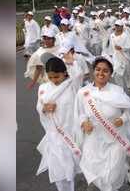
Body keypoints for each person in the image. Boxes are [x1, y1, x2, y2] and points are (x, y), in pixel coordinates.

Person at [74, 57, 130, 191]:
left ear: (110, 74)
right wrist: (84, 122)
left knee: (112, 177)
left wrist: (122, 119)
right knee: (94, 171)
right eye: (98, 69)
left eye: (105, 71)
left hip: (115, 139)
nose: (101, 73)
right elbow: (80, 113)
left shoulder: (117, 91)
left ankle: (122, 171)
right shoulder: (83, 93)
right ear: (93, 71)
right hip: (93, 138)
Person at [35, 57, 81, 191]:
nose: (54, 80)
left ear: (64, 73)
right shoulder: (43, 88)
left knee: (70, 169)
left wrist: (73, 61)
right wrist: (44, 109)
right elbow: (39, 106)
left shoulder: (72, 85)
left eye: (57, 76)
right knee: (57, 170)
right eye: (50, 77)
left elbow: (78, 73)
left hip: (70, 133)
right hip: (53, 135)